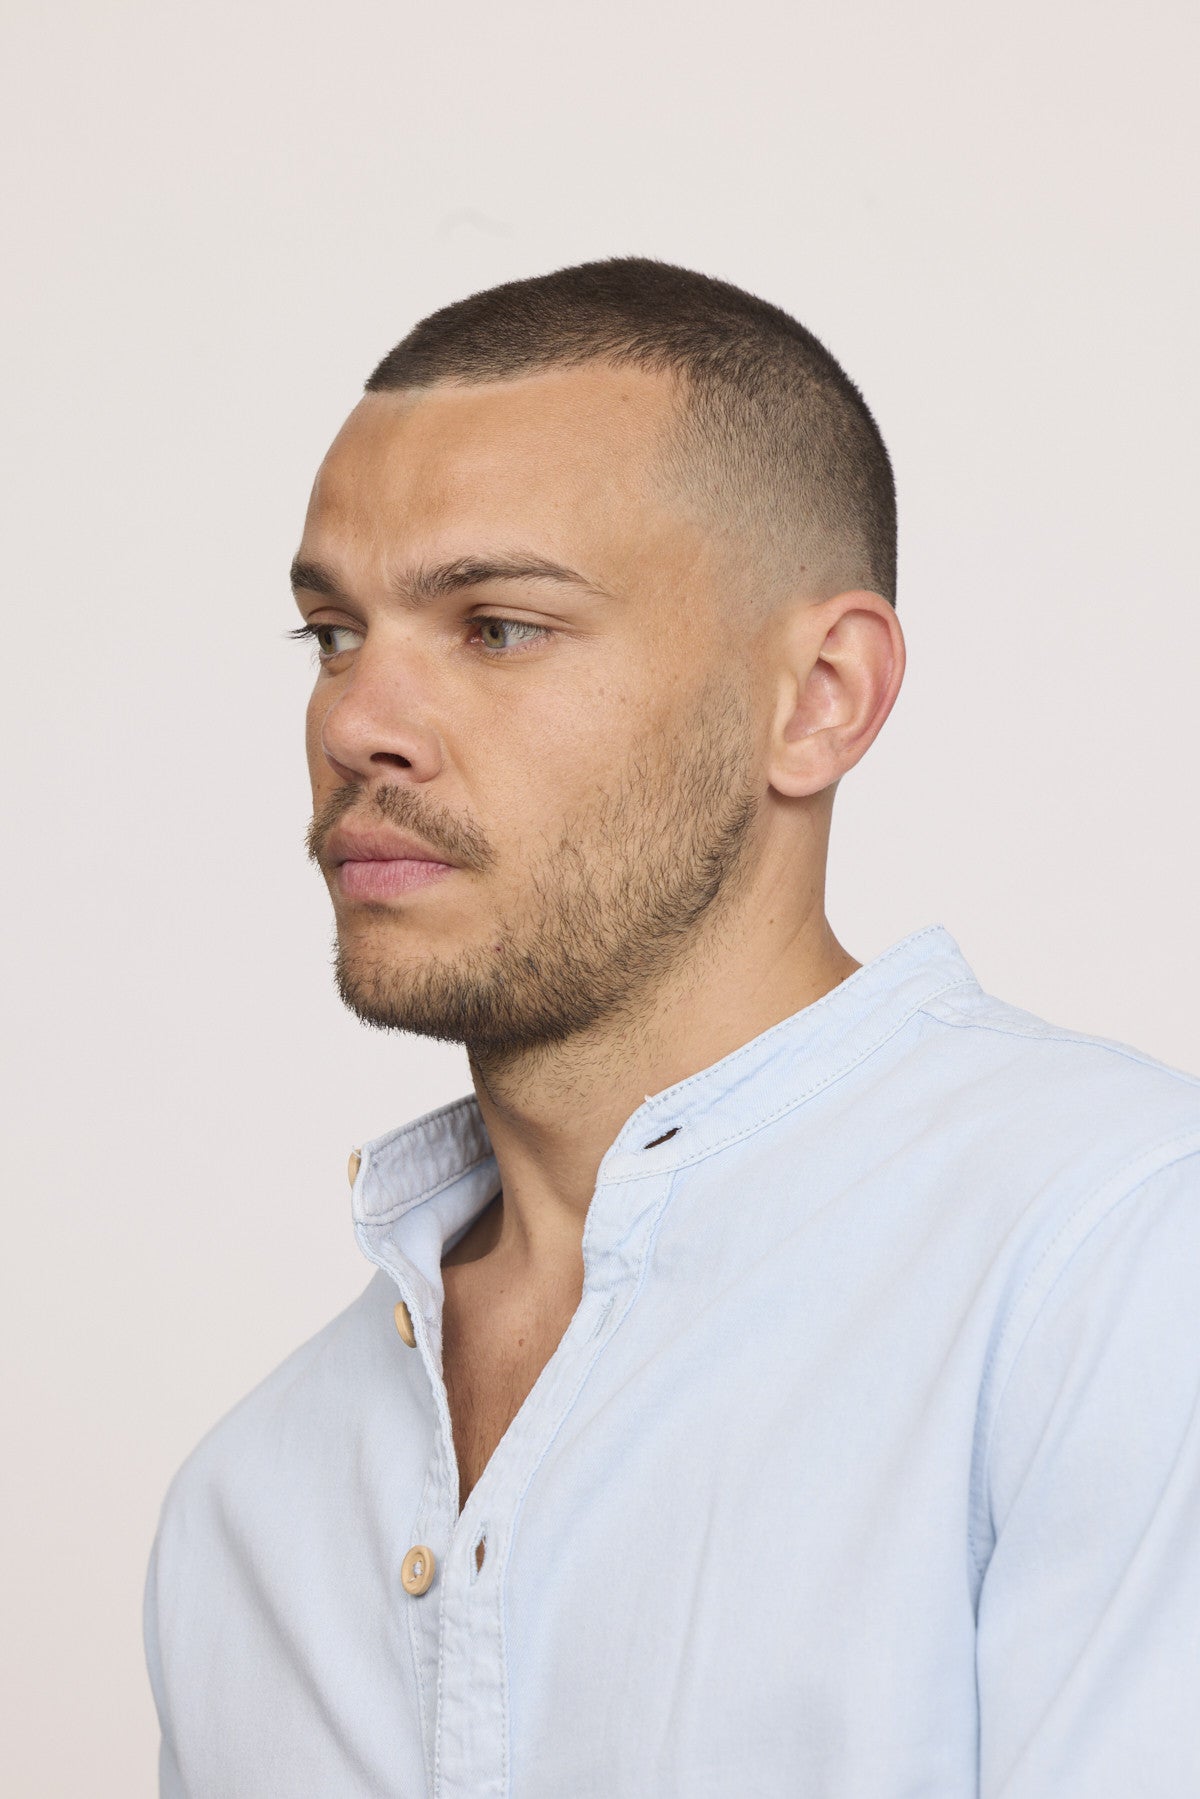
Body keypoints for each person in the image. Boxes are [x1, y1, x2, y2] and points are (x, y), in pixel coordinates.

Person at [144, 258, 1200, 1798]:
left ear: (820, 695)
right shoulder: (250, 1509)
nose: (356, 722)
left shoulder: (1116, 1262)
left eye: (499, 627)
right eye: (332, 632)